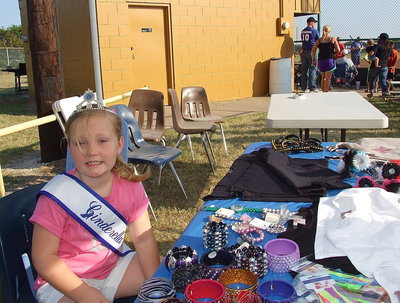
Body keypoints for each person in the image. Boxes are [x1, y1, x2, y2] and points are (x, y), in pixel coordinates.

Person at [30, 102, 161, 302]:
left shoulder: (131, 186)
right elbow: (44, 258)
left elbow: (143, 239)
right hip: (65, 283)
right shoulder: (56, 196)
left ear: (119, 144)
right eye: (80, 143)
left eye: (102, 140)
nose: (91, 151)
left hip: (113, 268)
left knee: (169, 275)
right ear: (70, 148)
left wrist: (155, 283)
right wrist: (84, 293)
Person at [311, 25, 340, 92]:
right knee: (327, 79)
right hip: (329, 59)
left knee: (323, 78)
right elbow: (338, 50)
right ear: (329, 31)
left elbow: (313, 50)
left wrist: (313, 59)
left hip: (321, 60)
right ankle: (326, 93)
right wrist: (334, 54)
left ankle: (323, 91)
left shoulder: (319, 40)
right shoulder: (332, 39)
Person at [367, 33, 393, 97]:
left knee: (372, 80)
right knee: (383, 80)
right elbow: (389, 57)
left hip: (374, 67)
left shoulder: (378, 46)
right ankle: (384, 92)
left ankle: (371, 92)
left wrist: (373, 58)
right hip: (384, 66)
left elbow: (370, 54)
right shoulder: (389, 47)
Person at [300, 16, 320, 93]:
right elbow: (318, 41)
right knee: (312, 69)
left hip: (304, 51)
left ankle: (304, 87)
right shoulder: (314, 31)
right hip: (312, 51)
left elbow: (303, 42)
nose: (314, 24)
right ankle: (312, 87)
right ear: (311, 22)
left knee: (304, 70)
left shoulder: (303, 31)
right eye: (314, 22)